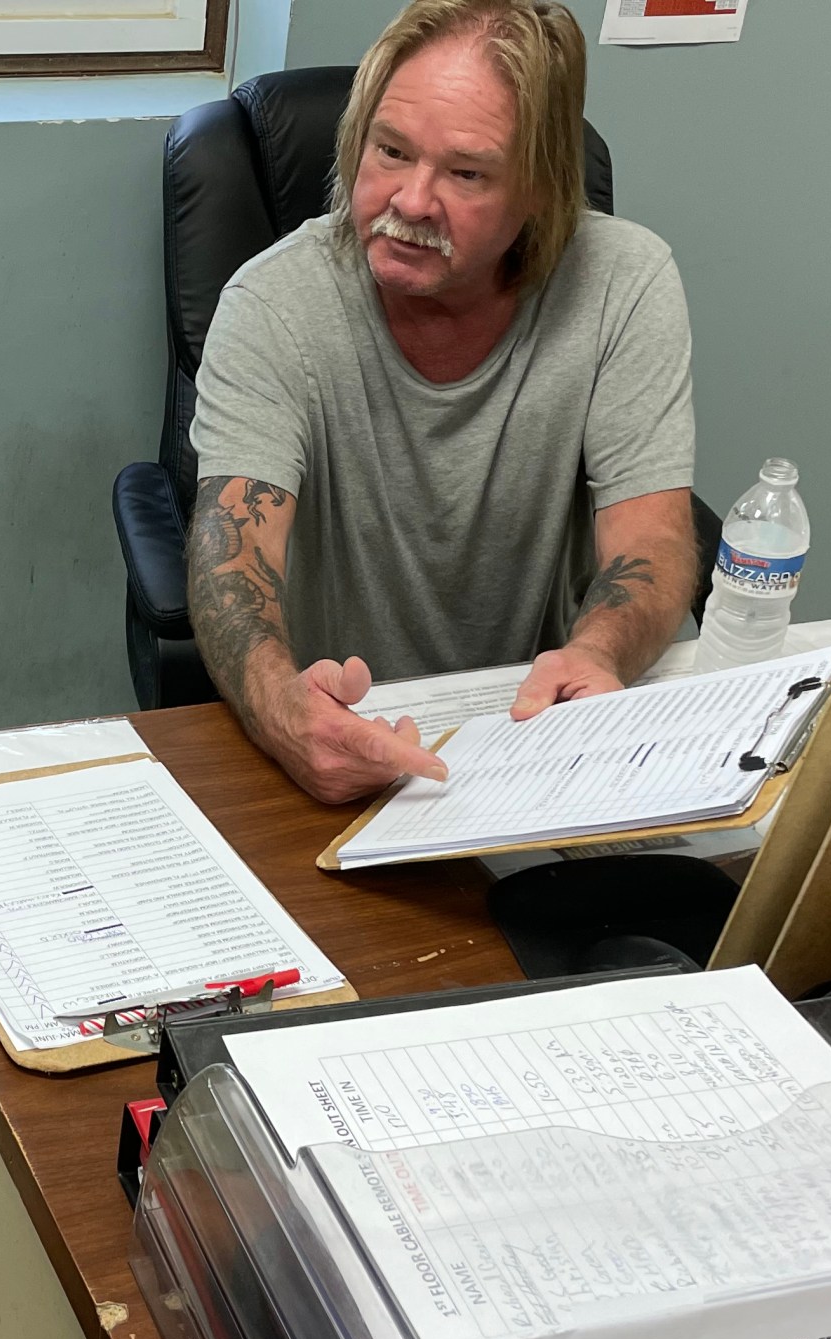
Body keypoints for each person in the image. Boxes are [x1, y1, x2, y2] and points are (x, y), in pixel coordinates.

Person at [187, 0, 701, 804]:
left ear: (540, 188)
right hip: (356, 728)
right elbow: (230, 561)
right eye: (390, 151)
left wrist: (601, 652)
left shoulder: (623, 282)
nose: (412, 200)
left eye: (466, 173)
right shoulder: (273, 302)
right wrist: (283, 708)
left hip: (544, 727)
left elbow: (655, 536)